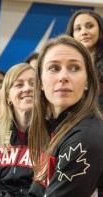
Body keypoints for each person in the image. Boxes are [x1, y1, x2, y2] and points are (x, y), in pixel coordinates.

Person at [28, 35, 103, 197]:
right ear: (40, 81)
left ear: (88, 81)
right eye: (54, 68)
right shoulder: (55, 127)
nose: (63, 77)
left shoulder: (86, 137)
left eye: (74, 68)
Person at [0, 63, 35, 197]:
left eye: (33, 83)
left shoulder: (53, 132)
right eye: (19, 85)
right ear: (8, 96)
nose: (27, 88)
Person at [65, 9, 103, 111]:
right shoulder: (65, 64)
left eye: (90, 26)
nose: (84, 32)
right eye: (78, 29)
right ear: (72, 35)